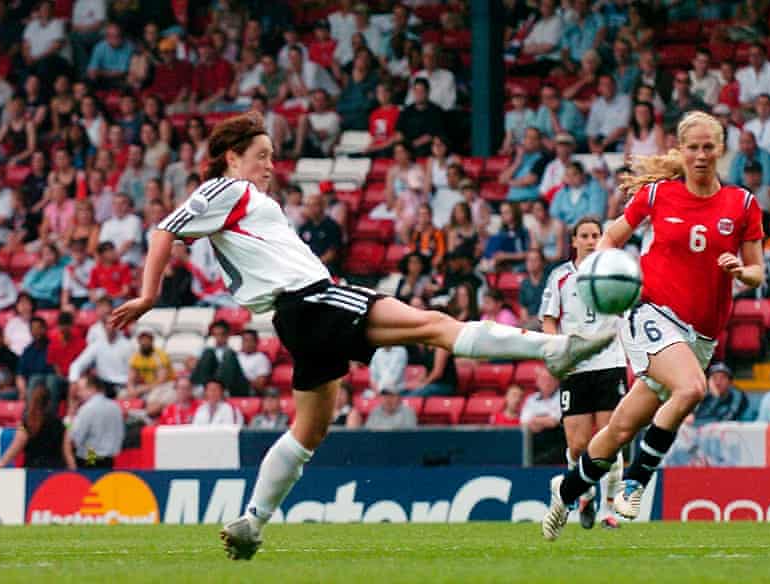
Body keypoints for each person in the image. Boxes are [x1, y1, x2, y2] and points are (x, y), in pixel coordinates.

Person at [108, 112, 613, 559]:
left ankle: (252, 522)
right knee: (436, 326)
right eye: (261, 156)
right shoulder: (227, 189)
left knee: (309, 432)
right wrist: (150, 295)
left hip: (295, 320)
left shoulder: (241, 201)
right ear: (232, 158)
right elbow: (163, 230)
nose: (270, 166)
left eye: (272, 156)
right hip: (313, 300)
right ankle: (557, 347)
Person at [542, 111, 765, 541]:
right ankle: (636, 484)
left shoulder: (742, 204)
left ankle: (566, 491)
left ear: (721, 150)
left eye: (708, 147)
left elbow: (759, 272)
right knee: (693, 388)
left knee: (622, 427)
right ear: (681, 151)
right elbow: (610, 237)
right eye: (693, 147)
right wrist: (604, 275)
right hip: (649, 311)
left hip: (699, 335)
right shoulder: (658, 195)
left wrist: (742, 271)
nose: (701, 155)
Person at [540, 216, 627, 529]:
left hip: (609, 364)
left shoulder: (615, 274)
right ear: (574, 241)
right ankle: (586, 492)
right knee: (578, 445)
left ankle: (608, 509)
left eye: (596, 235)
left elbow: (626, 312)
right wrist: (556, 349)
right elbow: (548, 318)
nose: (591, 241)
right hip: (575, 367)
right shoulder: (560, 277)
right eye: (585, 236)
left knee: (610, 439)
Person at [63, 375, 124, 469]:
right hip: (110, 460)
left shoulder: (87, 409)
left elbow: (75, 439)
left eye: (80, 390)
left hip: (90, 459)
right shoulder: (115, 406)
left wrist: (69, 421)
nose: (78, 394)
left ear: (92, 388)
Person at [0, 385, 65, 468]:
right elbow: (66, 450)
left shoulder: (27, 422)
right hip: (54, 471)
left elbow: (15, 447)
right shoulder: (58, 422)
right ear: (49, 402)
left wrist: (0, 465)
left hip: (32, 471)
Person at [191, 320, 249, 396]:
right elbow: (190, 364)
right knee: (208, 353)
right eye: (215, 335)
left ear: (228, 335)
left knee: (229, 354)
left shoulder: (237, 349)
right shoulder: (205, 349)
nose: (219, 338)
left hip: (233, 385)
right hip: (210, 379)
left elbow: (242, 372)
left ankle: (222, 389)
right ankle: (205, 388)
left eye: (222, 334)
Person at [125, 329, 175, 416]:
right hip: (147, 385)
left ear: (151, 341)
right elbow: (131, 377)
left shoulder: (159, 355)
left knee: (152, 399)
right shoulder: (136, 356)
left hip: (166, 385)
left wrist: (141, 389)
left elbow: (161, 380)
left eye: (147, 340)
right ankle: (130, 416)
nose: (144, 342)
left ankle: (144, 417)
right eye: (142, 340)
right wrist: (131, 388)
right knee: (123, 395)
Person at [520, 366, 564, 464]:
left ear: (557, 381)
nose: (547, 383)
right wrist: (545, 420)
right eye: (543, 379)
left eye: (550, 379)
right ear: (537, 382)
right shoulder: (531, 399)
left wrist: (535, 420)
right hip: (534, 441)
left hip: (556, 442)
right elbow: (524, 422)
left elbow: (555, 421)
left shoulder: (561, 396)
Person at [238, 329, 272, 396]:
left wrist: (243, 380)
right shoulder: (236, 356)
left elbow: (260, 384)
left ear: (256, 342)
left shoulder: (261, 358)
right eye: (245, 340)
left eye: (250, 340)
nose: (247, 344)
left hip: (249, 390)